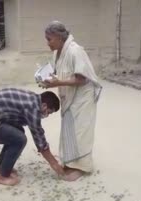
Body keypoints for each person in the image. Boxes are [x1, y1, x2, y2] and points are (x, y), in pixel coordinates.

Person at [42, 21, 102, 181]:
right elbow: (57, 72)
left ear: (59, 37)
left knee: (80, 132)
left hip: (82, 98)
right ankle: (69, 163)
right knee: (69, 130)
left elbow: (81, 79)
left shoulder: (76, 51)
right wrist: (46, 80)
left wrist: (58, 83)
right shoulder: (57, 53)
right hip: (69, 96)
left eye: (49, 39)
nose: (48, 43)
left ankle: (82, 168)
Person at [0, 88, 64, 186]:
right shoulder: (33, 108)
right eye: (48, 112)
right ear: (44, 105)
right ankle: (2, 177)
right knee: (19, 139)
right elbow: (39, 139)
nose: (47, 115)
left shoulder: (33, 98)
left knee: (18, 132)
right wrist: (55, 164)